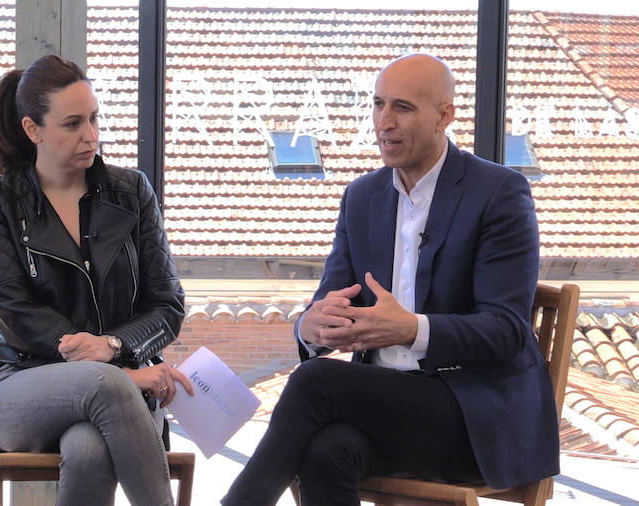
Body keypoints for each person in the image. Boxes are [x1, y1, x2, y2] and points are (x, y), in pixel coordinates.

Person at [222, 53, 559, 506]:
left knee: (315, 381)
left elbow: (506, 331)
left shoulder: (499, 193)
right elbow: (330, 302)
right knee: (327, 450)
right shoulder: (362, 197)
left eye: (402, 107)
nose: (384, 122)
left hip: (473, 416)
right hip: (386, 410)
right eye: (378, 104)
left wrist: (412, 329)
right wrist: (311, 325)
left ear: (444, 115)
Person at [0, 54, 192, 506]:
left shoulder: (132, 193)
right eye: (72, 123)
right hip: (22, 384)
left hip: (124, 386)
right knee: (107, 385)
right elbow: (11, 308)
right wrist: (119, 370)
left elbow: (167, 305)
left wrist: (111, 346)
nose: (90, 135)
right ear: (33, 130)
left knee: (89, 449)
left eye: (94, 118)